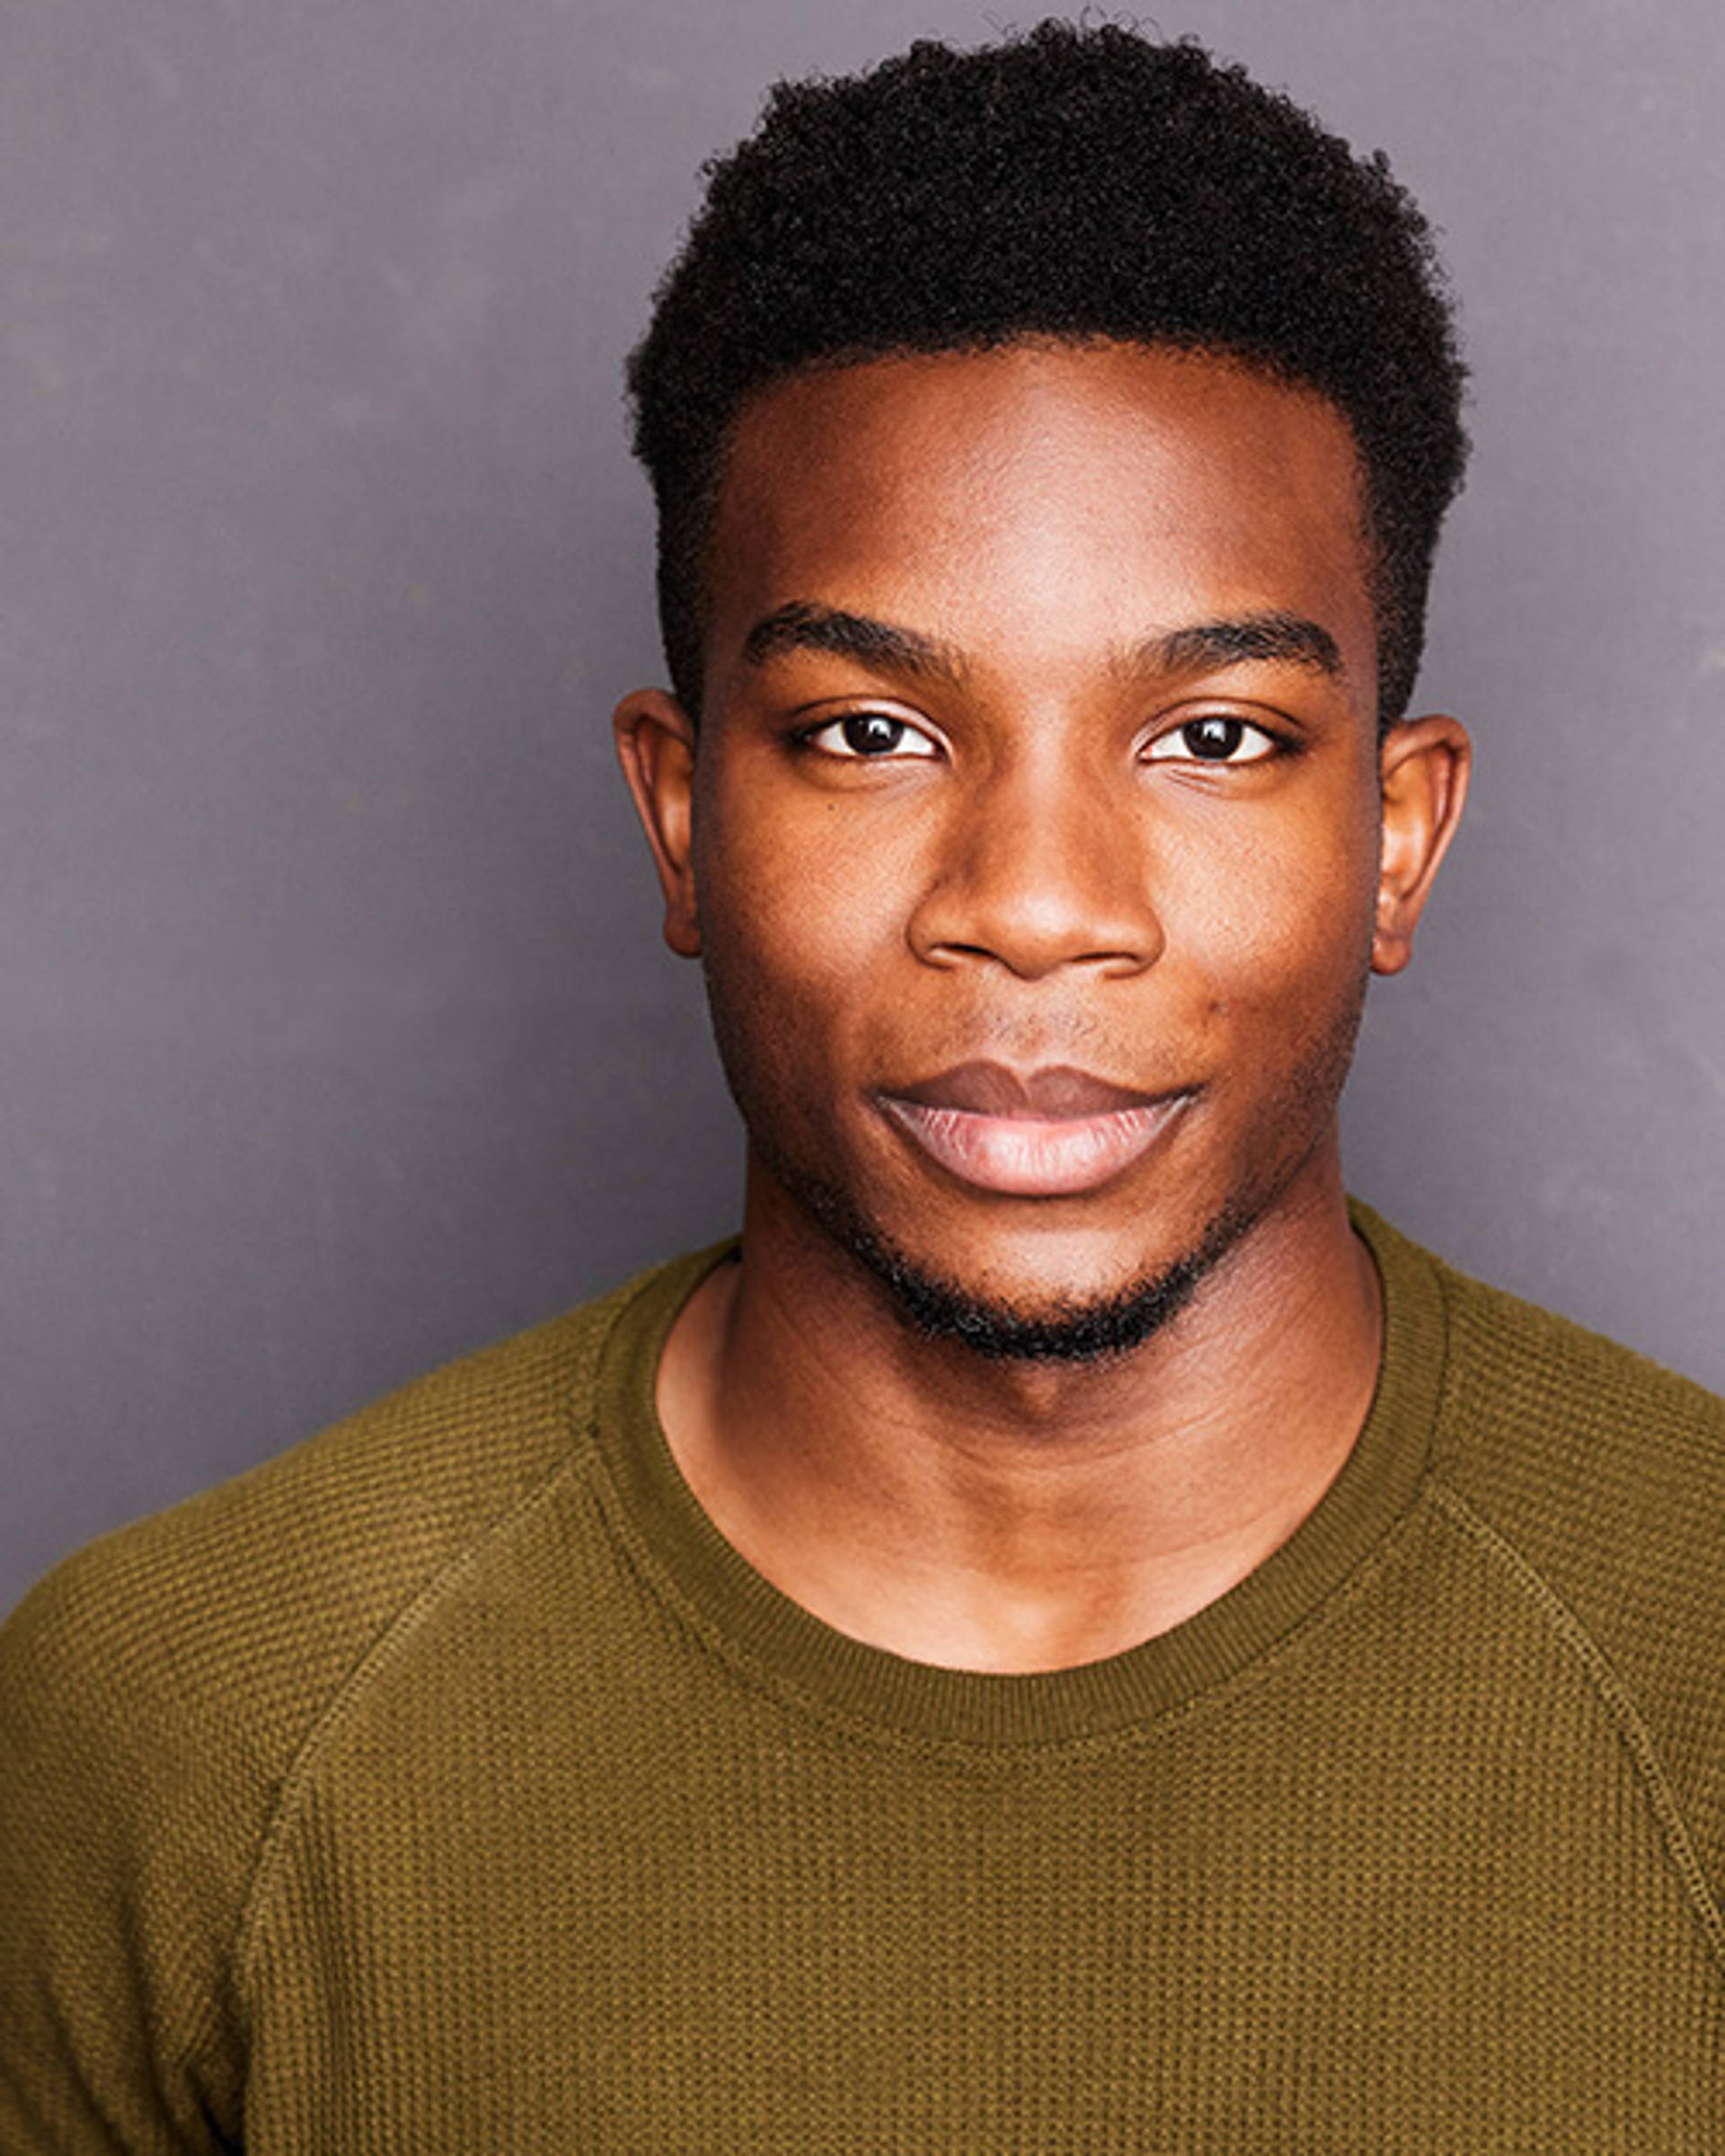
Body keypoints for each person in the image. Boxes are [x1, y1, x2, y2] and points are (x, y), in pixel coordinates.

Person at [3, 20, 1721, 2148]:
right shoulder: (180, 1729)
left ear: (1397, 836)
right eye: (869, 733)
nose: (1035, 904)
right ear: (678, 817)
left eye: (1213, 740)